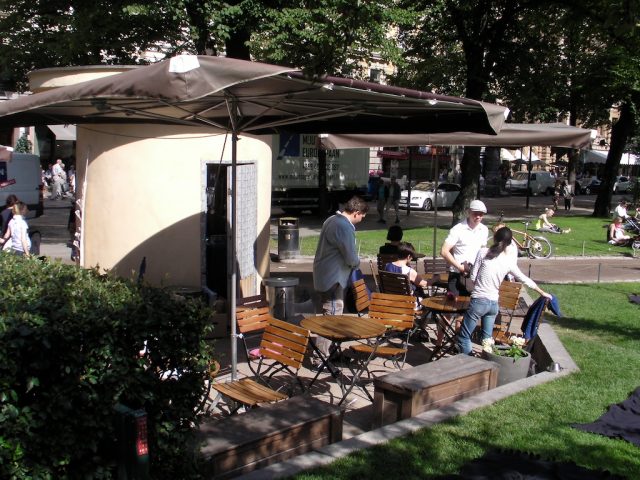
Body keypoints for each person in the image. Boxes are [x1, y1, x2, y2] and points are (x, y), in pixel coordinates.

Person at [457, 226, 552, 355]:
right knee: (487, 340)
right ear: (509, 242)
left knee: (463, 336)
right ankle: (486, 365)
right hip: (493, 305)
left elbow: (473, 277)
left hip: (479, 301)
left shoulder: (483, 252)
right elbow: (524, 279)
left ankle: (470, 362)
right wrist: (542, 292)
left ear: (495, 238)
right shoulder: (508, 261)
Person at [313, 196, 368, 355]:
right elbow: (350, 257)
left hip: (327, 275)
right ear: (357, 212)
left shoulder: (331, 220)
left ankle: (330, 351)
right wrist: (357, 263)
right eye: (363, 215)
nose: (363, 219)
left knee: (332, 313)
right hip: (332, 277)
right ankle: (321, 356)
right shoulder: (343, 226)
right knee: (331, 317)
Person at [441, 199, 490, 297]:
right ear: (469, 212)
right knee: (453, 308)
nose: (478, 216)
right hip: (457, 275)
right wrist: (459, 267)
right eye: (475, 213)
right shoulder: (457, 229)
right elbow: (444, 251)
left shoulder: (484, 229)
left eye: (481, 214)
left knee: (472, 307)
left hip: (475, 275)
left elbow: (483, 251)